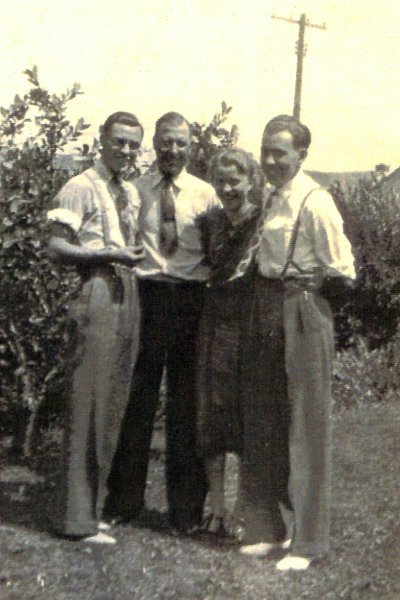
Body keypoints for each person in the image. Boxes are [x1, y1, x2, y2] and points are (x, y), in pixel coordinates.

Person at [239, 115, 355, 570]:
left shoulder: (315, 200)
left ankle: (308, 542)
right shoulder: (272, 196)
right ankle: (270, 528)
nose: (269, 160)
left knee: (306, 424)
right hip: (267, 305)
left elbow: (344, 270)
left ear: (301, 155)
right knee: (264, 418)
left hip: (304, 310)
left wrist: (316, 282)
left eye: (280, 152)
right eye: (265, 150)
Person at [106, 112, 221, 533]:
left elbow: (217, 250)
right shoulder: (136, 192)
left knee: (186, 404)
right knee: (136, 401)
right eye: (165, 143)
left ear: (191, 146)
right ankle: (123, 500)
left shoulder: (206, 194)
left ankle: (186, 510)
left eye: (180, 143)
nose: (172, 151)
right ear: (154, 144)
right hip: (148, 298)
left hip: (191, 300)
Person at [47, 111, 144, 544]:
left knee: (112, 403)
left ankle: (93, 509)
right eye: (118, 141)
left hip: (127, 289)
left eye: (132, 144)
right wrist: (105, 255)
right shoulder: (80, 186)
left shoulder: (128, 191)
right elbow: (56, 246)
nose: (125, 150)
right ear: (101, 141)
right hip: (97, 289)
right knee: (87, 402)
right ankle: (76, 519)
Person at [196, 147, 262, 535]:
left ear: (251, 180)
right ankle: (215, 505)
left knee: (245, 412)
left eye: (234, 181)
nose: (226, 188)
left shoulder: (264, 223)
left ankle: (241, 508)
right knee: (212, 409)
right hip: (213, 323)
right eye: (219, 181)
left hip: (249, 325)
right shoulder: (209, 222)